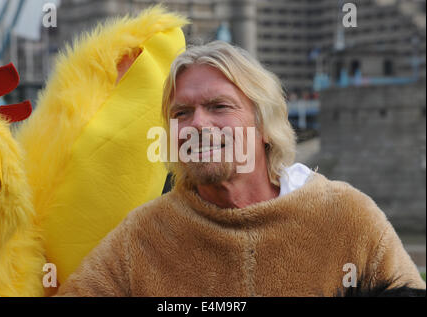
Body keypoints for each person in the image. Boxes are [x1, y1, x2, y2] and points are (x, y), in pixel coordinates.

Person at [57, 41, 425, 296]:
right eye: (181, 113)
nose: (197, 124)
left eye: (219, 106)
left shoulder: (348, 216)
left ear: (264, 126)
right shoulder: (141, 237)